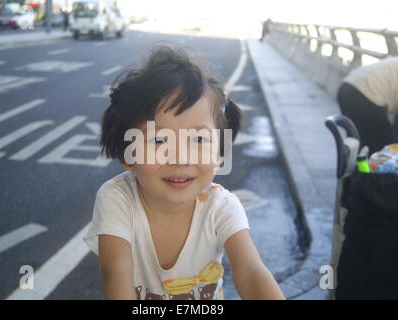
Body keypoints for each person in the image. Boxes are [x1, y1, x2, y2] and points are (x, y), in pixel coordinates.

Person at [83, 45, 285, 300]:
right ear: (127, 155)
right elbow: (116, 272)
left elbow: (250, 272)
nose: (180, 157)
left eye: (199, 139)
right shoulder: (118, 199)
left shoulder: (221, 207)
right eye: (159, 140)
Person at [337, 57, 398, 154]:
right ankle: (363, 167)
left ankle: (353, 166)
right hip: (366, 94)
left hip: (348, 86)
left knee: (358, 142)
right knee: (384, 149)